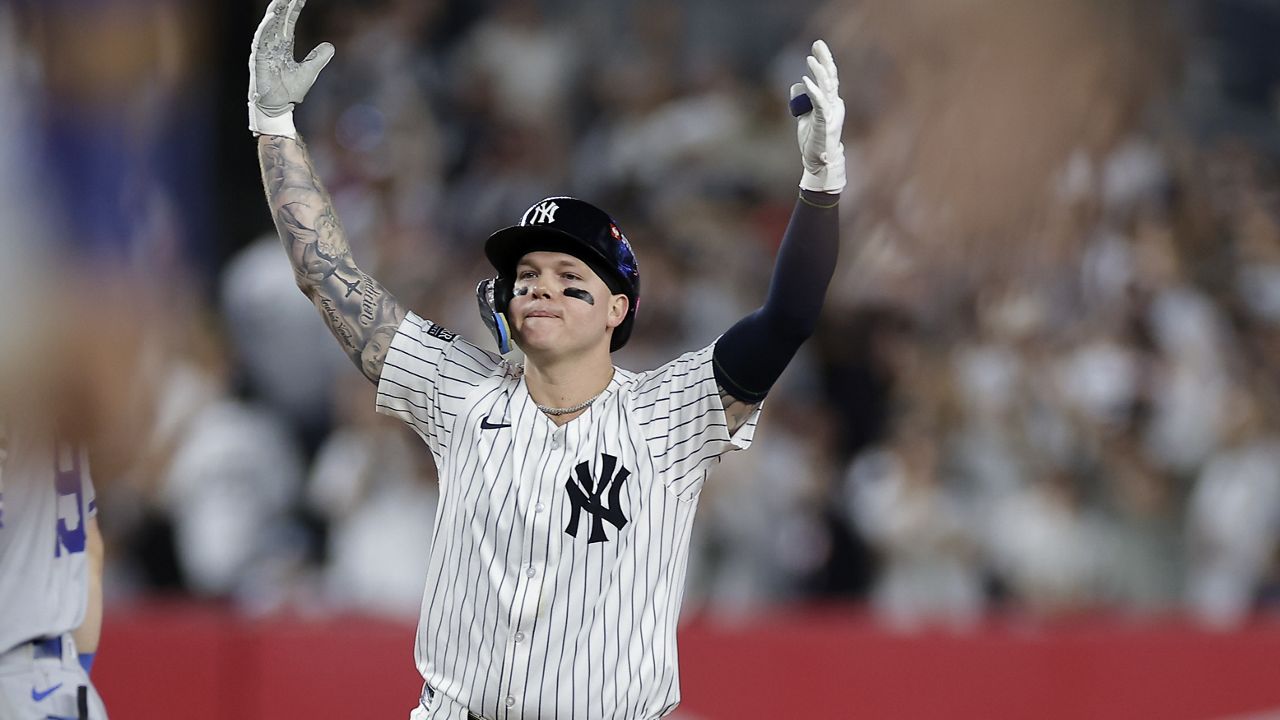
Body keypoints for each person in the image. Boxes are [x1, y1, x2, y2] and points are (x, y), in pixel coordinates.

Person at [249, 1, 845, 717]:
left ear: (617, 310)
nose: (540, 290)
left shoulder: (670, 414)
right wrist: (274, 127)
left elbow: (788, 317)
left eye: (571, 281)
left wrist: (819, 188)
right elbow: (328, 276)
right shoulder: (459, 389)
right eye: (526, 276)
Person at [0, 424, 108, 720]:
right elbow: (91, 554)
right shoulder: (56, 420)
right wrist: (75, 673)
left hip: (13, 683)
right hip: (63, 683)